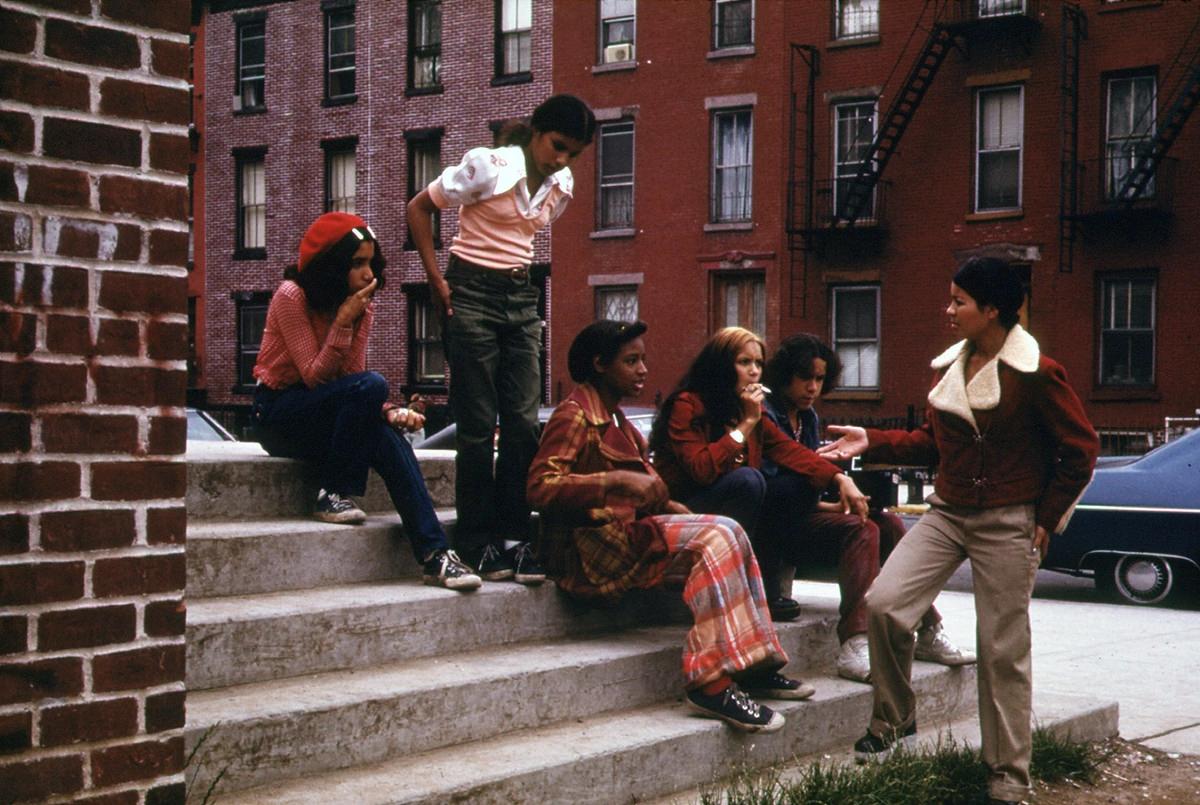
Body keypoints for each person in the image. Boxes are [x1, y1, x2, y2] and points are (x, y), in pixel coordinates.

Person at [818, 257, 1098, 804]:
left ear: (991, 309)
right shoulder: (954, 366)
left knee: (1000, 650)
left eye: (958, 302)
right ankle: (894, 720)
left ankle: (1008, 778)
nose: (948, 311)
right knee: (885, 604)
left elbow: (1081, 450)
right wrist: (872, 441)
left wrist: (1046, 518)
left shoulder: (1037, 372)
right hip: (947, 512)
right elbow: (932, 442)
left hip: (1007, 519)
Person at [527, 320, 816, 733]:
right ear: (599, 365)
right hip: (589, 548)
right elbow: (539, 487)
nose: (643, 369)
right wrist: (615, 483)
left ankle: (754, 664)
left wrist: (670, 504)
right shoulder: (575, 415)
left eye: (643, 359)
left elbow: (648, 490)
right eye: (631, 361)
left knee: (729, 530)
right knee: (716, 536)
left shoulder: (619, 420)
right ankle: (709, 683)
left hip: (623, 535)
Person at [407, 94, 596, 585]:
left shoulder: (562, 184)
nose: (561, 159)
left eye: (572, 154)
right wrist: (436, 280)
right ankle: (475, 541)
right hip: (469, 290)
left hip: (520, 295)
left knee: (522, 422)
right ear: (536, 132)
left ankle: (513, 538)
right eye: (557, 146)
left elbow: (525, 237)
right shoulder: (488, 166)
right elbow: (418, 208)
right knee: (475, 422)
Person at [251, 212, 480, 592]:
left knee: (384, 434)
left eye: (371, 262)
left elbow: (351, 382)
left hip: (325, 412)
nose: (367, 272)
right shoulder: (291, 296)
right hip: (277, 413)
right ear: (332, 265)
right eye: (357, 263)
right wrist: (342, 322)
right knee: (372, 387)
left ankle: (436, 555)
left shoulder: (361, 306)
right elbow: (313, 375)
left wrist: (389, 411)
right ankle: (334, 492)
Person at [759, 334, 975, 683]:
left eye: (819, 379)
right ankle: (855, 642)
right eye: (805, 377)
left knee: (885, 523)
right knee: (862, 530)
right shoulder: (766, 415)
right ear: (785, 375)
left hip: (804, 518)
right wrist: (832, 483)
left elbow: (809, 490)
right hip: (774, 532)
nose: (812, 387)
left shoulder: (808, 418)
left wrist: (837, 504)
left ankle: (928, 627)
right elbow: (776, 490)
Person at [648, 327, 871, 628]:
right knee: (749, 481)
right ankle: (719, 577)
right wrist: (747, 422)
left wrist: (839, 479)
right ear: (721, 364)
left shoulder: (749, 410)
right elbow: (701, 469)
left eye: (758, 364)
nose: (754, 372)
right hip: (685, 509)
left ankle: (756, 585)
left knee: (788, 483)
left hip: (731, 514)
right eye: (744, 362)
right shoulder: (689, 404)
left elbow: (791, 451)